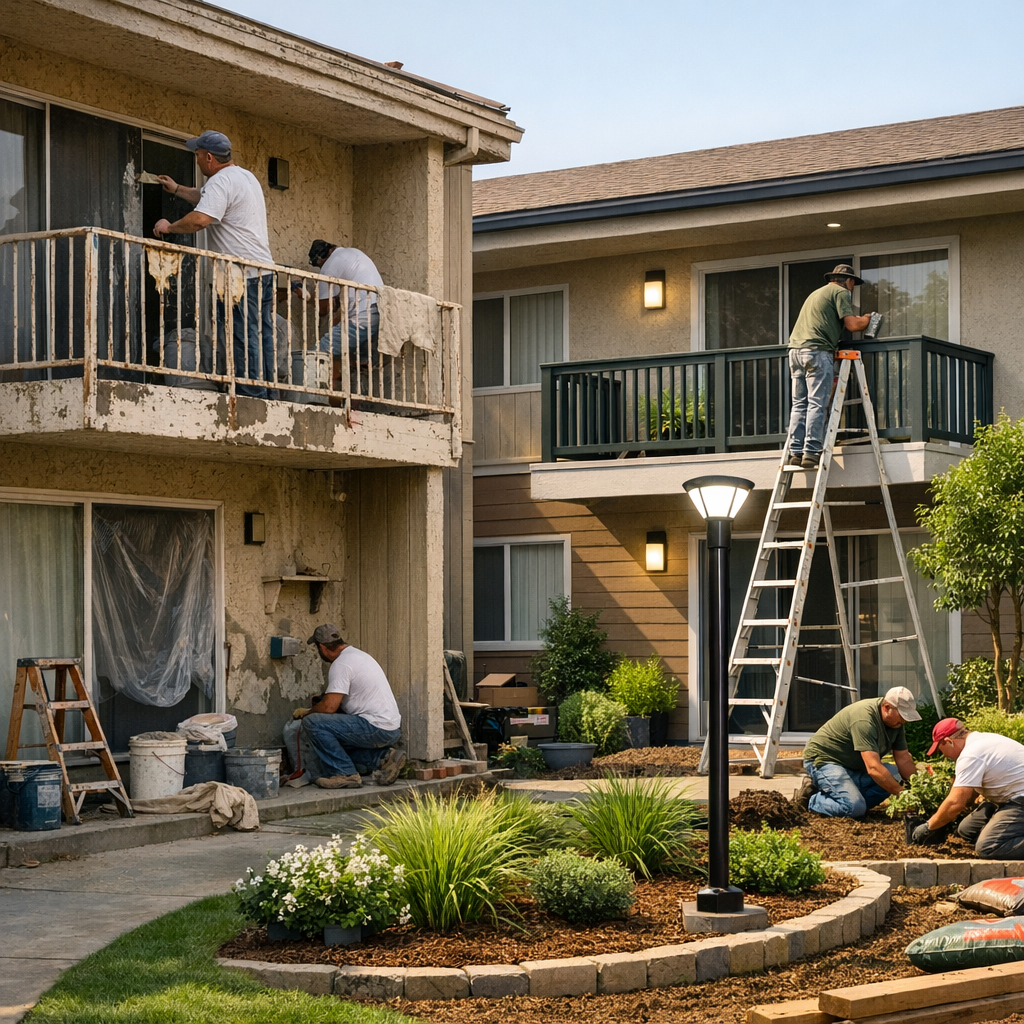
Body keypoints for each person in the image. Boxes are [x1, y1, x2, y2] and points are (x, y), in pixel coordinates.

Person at [153, 130, 276, 398]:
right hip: (263, 272)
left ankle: (250, 396)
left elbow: (200, 219)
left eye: (197, 155)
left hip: (239, 276)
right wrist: (177, 189)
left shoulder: (221, 182)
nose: (196, 160)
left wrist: (169, 227)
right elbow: (207, 199)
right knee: (263, 335)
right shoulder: (244, 177)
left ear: (209, 158)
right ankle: (269, 394)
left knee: (242, 336)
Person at [284, 623, 405, 789]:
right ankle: (384, 758)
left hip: (374, 727)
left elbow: (329, 708)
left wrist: (308, 712)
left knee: (313, 723)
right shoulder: (358, 655)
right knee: (333, 746)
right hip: (390, 728)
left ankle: (345, 774)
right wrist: (322, 698)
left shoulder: (341, 664)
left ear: (322, 647)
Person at [787, 264, 876, 470]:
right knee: (817, 403)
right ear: (849, 281)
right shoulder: (841, 292)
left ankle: (795, 451)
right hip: (817, 352)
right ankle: (811, 451)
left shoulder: (816, 293)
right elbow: (853, 325)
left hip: (795, 352)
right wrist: (866, 319)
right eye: (854, 283)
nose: (853, 288)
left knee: (800, 404)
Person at [795, 686, 920, 818]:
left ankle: (850, 801)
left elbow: (903, 759)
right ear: (887, 707)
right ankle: (812, 799)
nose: (904, 720)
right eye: (902, 715)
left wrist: (918, 788)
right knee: (853, 808)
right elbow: (873, 768)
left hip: (853, 767)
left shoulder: (896, 723)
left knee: (895, 774)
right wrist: (901, 793)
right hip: (826, 761)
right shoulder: (864, 719)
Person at [911, 718, 1024, 859]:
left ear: (948, 742)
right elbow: (967, 796)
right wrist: (944, 818)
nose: (944, 756)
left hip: (1020, 800)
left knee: (988, 846)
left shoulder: (971, 754)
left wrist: (929, 827)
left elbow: (956, 803)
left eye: (941, 750)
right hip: (1011, 798)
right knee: (967, 830)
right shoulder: (982, 740)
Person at [308, 239, 383, 389]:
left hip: (363, 316)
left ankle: (312, 395)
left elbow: (323, 310)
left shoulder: (329, 266)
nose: (321, 268)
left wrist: (308, 298)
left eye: (319, 265)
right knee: (355, 361)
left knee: (318, 352)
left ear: (321, 258)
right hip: (379, 311)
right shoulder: (351, 253)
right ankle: (354, 398)